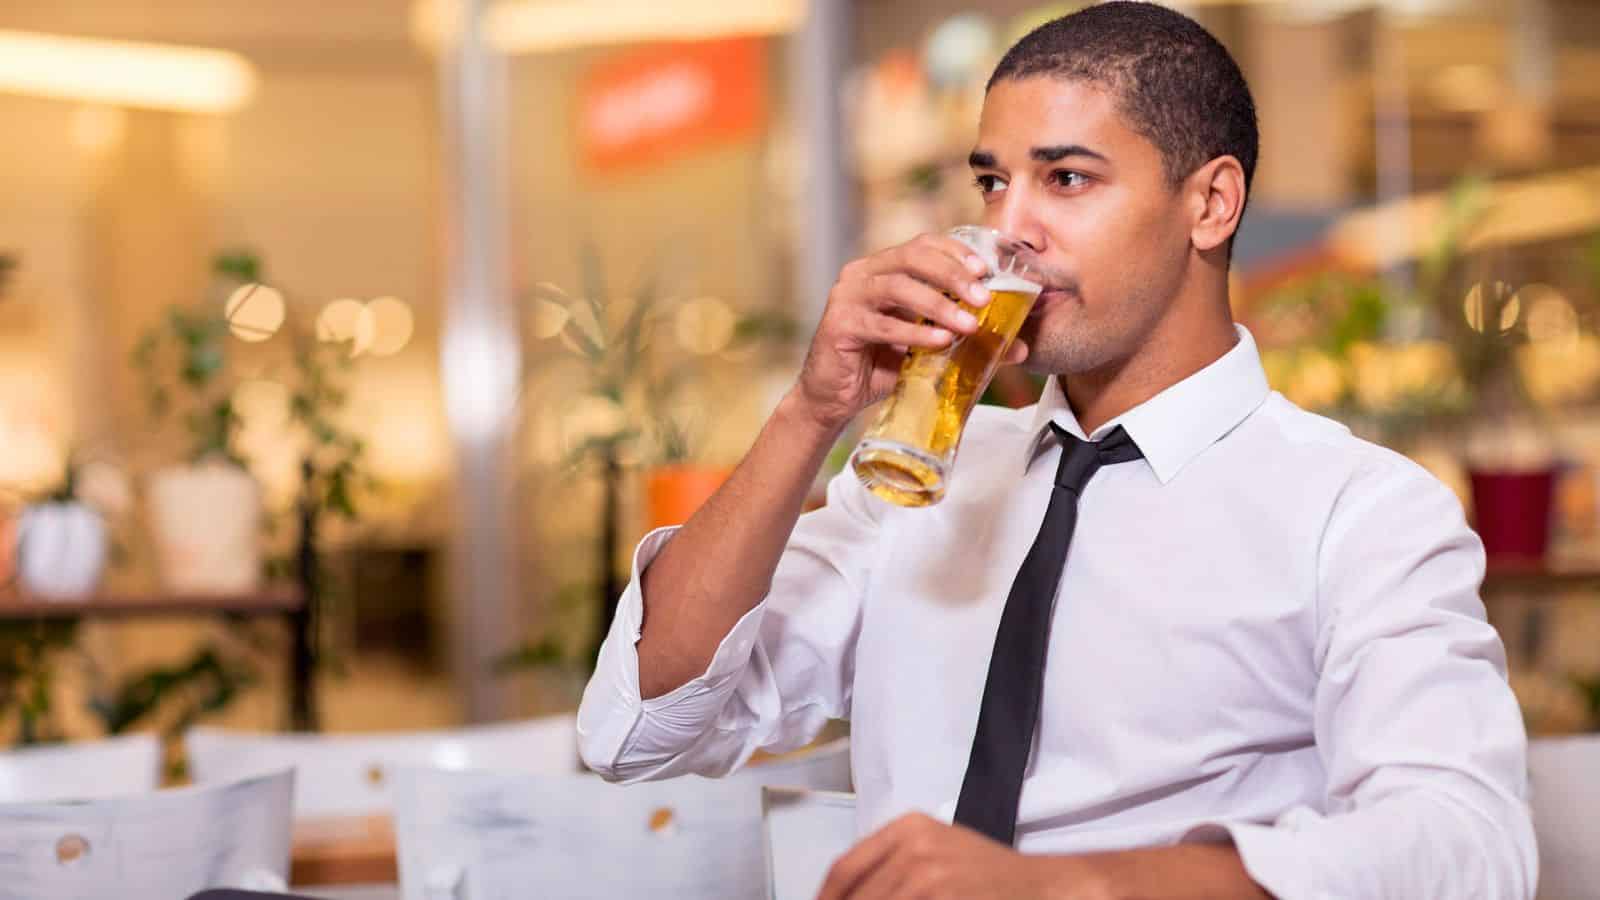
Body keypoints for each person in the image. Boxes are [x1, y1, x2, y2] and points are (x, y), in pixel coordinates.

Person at [576, 3, 1537, 898]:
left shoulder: (1359, 512)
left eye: (1066, 179)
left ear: (1211, 204)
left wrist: (1058, 886)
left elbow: (1466, 844)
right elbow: (641, 727)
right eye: (993, 182)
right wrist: (808, 412)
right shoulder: (919, 481)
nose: (1008, 231)